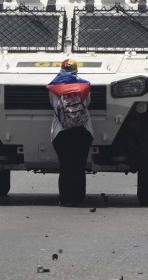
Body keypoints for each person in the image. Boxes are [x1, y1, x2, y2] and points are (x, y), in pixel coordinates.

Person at [46, 59, 94, 206]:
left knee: (65, 166)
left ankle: (65, 198)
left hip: (61, 131)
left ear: (61, 69)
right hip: (83, 130)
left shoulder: (54, 87)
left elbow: (53, 105)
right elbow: (88, 104)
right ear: (76, 70)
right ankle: (79, 198)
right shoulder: (84, 86)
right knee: (79, 166)